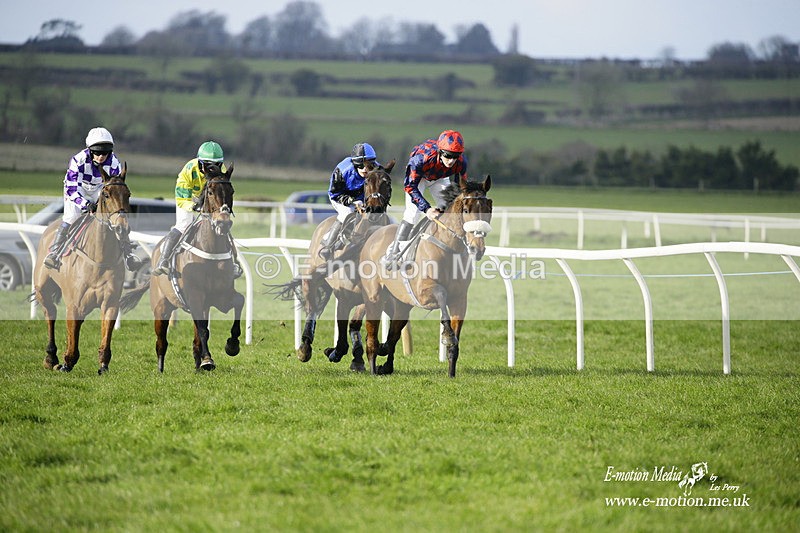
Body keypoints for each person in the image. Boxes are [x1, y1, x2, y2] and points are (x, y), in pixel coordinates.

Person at [44, 127, 142, 271]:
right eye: (97, 152)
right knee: (71, 217)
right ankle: (55, 253)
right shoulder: (78, 160)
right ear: (90, 150)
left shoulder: (114, 162)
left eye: (105, 152)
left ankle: (128, 255)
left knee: (116, 218)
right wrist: (85, 204)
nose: (101, 156)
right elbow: (72, 189)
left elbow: (114, 186)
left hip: (99, 189)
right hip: (78, 189)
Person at [152, 141, 242, 277]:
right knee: (184, 224)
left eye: (216, 165)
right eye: (207, 165)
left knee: (222, 224)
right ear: (200, 163)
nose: (212, 169)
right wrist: (195, 206)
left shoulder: (221, 169)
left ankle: (234, 262)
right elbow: (183, 200)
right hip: (188, 197)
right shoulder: (188, 172)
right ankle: (163, 260)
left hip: (208, 198)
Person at [384, 129, 468, 266]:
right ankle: (394, 253)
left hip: (440, 178)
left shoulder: (461, 162)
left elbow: (460, 188)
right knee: (413, 214)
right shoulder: (420, 160)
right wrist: (427, 209)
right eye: (448, 155)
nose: (451, 160)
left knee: (451, 209)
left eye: (455, 156)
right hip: (419, 180)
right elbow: (410, 187)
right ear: (440, 151)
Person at [318, 142, 379, 260]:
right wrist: (352, 201)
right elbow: (335, 194)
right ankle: (328, 245)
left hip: (362, 198)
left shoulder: (377, 171)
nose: (365, 169)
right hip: (340, 197)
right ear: (355, 164)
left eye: (369, 165)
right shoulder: (343, 171)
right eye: (361, 166)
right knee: (348, 212)